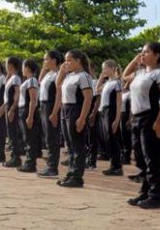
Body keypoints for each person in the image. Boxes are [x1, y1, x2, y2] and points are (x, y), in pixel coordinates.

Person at [123, 43, 160, 209]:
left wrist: (158, 121)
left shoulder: (159, 74)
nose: (142, 55)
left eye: (146, 52)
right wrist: (135, 60)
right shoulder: (141, 73)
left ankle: (155, 196)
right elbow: (125, 75)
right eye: (141, 52)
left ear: (157, 55)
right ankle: (144, 192)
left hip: (149, 117)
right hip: (136, 118)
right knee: (139, 157)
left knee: (151, 158)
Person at [53, 50, 93, 188]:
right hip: (65, 110)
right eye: (65, 60)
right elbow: (58, 85)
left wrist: (82, 118)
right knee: (69, 145)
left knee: (77, 146)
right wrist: (62, 71)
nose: (66, 63)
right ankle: (71, 173)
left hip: (76, 110)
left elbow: (88, 98)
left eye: (69, 60)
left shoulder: (83, 76)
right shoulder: (69, 76)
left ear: (78, 61)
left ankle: (77, 177)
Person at [96, 60, 124, 176]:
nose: (104, 71)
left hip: (111, 111)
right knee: (106, 138)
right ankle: (113, 165)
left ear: (112, 68)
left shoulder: (116, 83)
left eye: (105, 68)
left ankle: (117, 166)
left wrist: (117, 119)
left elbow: (119, 101)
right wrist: (101, 77)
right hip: (103, 111)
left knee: (112, 138)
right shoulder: (107, 82)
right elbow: (97, 89)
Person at [38, 51, 63, 177]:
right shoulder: (49, 74)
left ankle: (53, 167)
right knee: (48, 137)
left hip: (51, 106)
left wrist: (54, 112)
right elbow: (39, 81)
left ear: (53, 60)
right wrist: (44, 68)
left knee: (52, 138)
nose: (44, 62)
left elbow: (59, 94)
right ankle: (50, 165)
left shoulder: (58, 75)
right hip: (43, 105)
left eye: (46, 59)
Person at [17, 59, 42, 173]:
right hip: (23, 110)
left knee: (30, 138)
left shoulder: (32, 80)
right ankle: (28, 162)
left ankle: (31, 164)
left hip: (28, 110)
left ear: (27, 67)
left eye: (23, 67)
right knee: (26, 138)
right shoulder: (27, 80)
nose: (22, 69)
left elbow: (33, 99)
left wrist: (30, 115)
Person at [3, 57, 25, 168]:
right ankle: (14, 156)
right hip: (8, 105)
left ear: (11, 65)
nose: (5, 66)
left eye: (7, 64)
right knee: (10, 132)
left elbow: (17, 94)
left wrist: (12, 109)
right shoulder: (12, 77)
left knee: (13, 132)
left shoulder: (16, 78)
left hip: (12, 106)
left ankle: (16, 157)